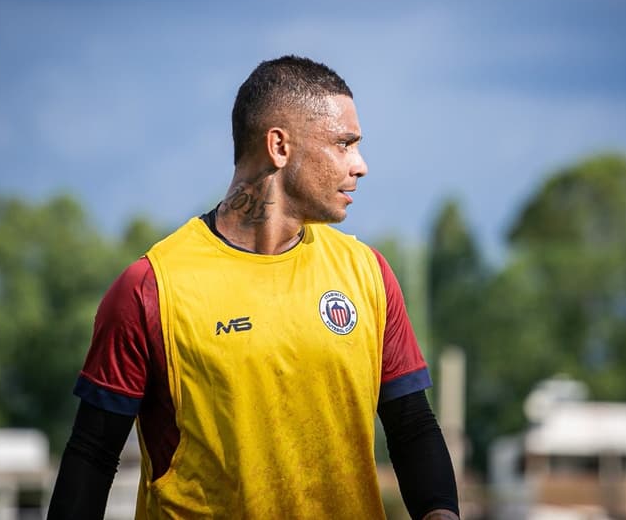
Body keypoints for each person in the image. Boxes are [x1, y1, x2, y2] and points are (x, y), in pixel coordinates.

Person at [47, 55, 460, 519]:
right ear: (279, 146)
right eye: (344, 144)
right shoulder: (151, 288)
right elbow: (92, 454)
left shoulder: (368, 274)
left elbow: (412, 427)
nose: (360, 165)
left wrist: (440, 513)